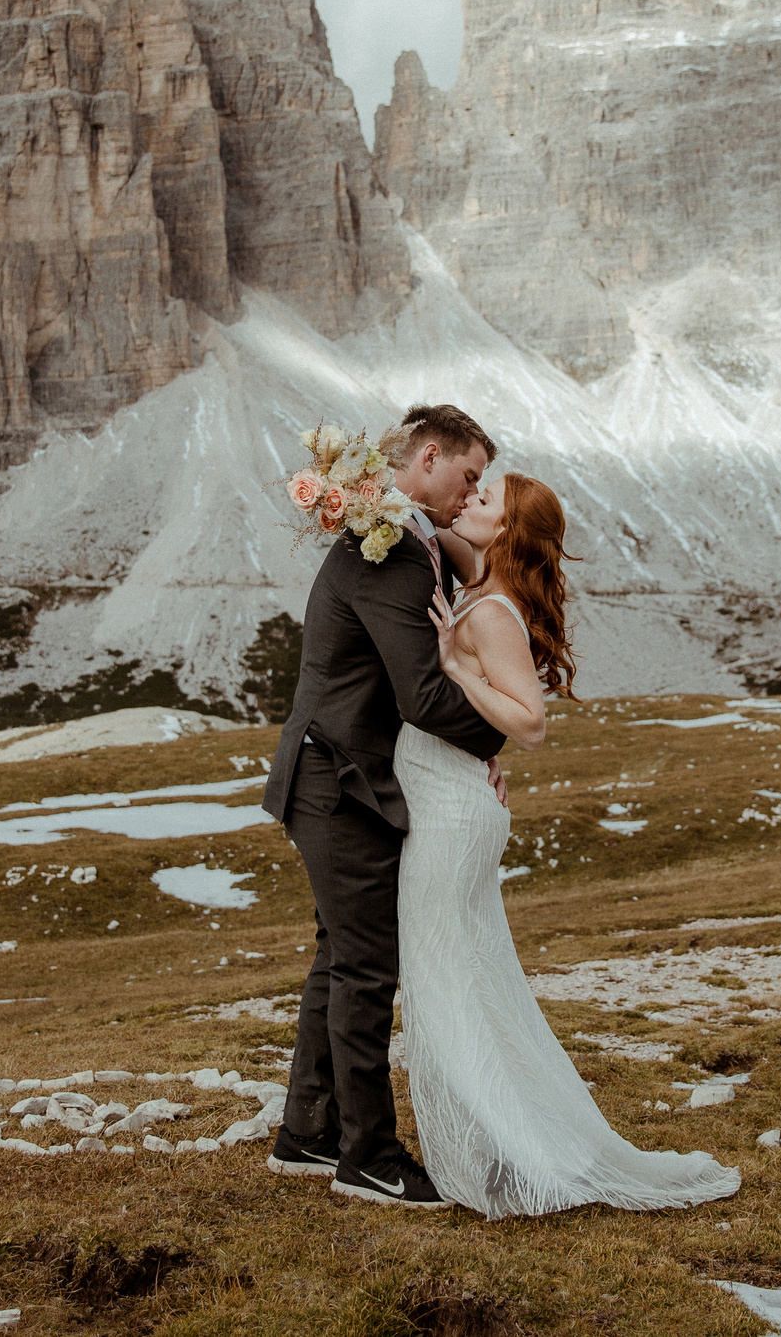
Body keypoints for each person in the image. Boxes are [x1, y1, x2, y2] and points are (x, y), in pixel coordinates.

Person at [401, 472, 742, 1218]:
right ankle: (502, 1143)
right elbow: (438, 529)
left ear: (509, 531)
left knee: (451, 986)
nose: (471, 503)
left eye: (485, 500)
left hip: (456, 818)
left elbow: (530, 723)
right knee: (467, 984)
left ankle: (514, 1154)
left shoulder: (492, 612)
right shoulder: (483, 580)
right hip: (450, 803)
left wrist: (457, 669)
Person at [260, 404, 504, 1208]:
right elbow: (425, 694)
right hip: (340, 783)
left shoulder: (397, 537)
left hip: (332, 776)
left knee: (340, 953)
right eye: (468, 476)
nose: (472, 493)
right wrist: (497, 738)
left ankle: (306, 1132)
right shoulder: (389, 549)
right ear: (429, 456)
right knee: (367, 965)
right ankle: (367, 1153)